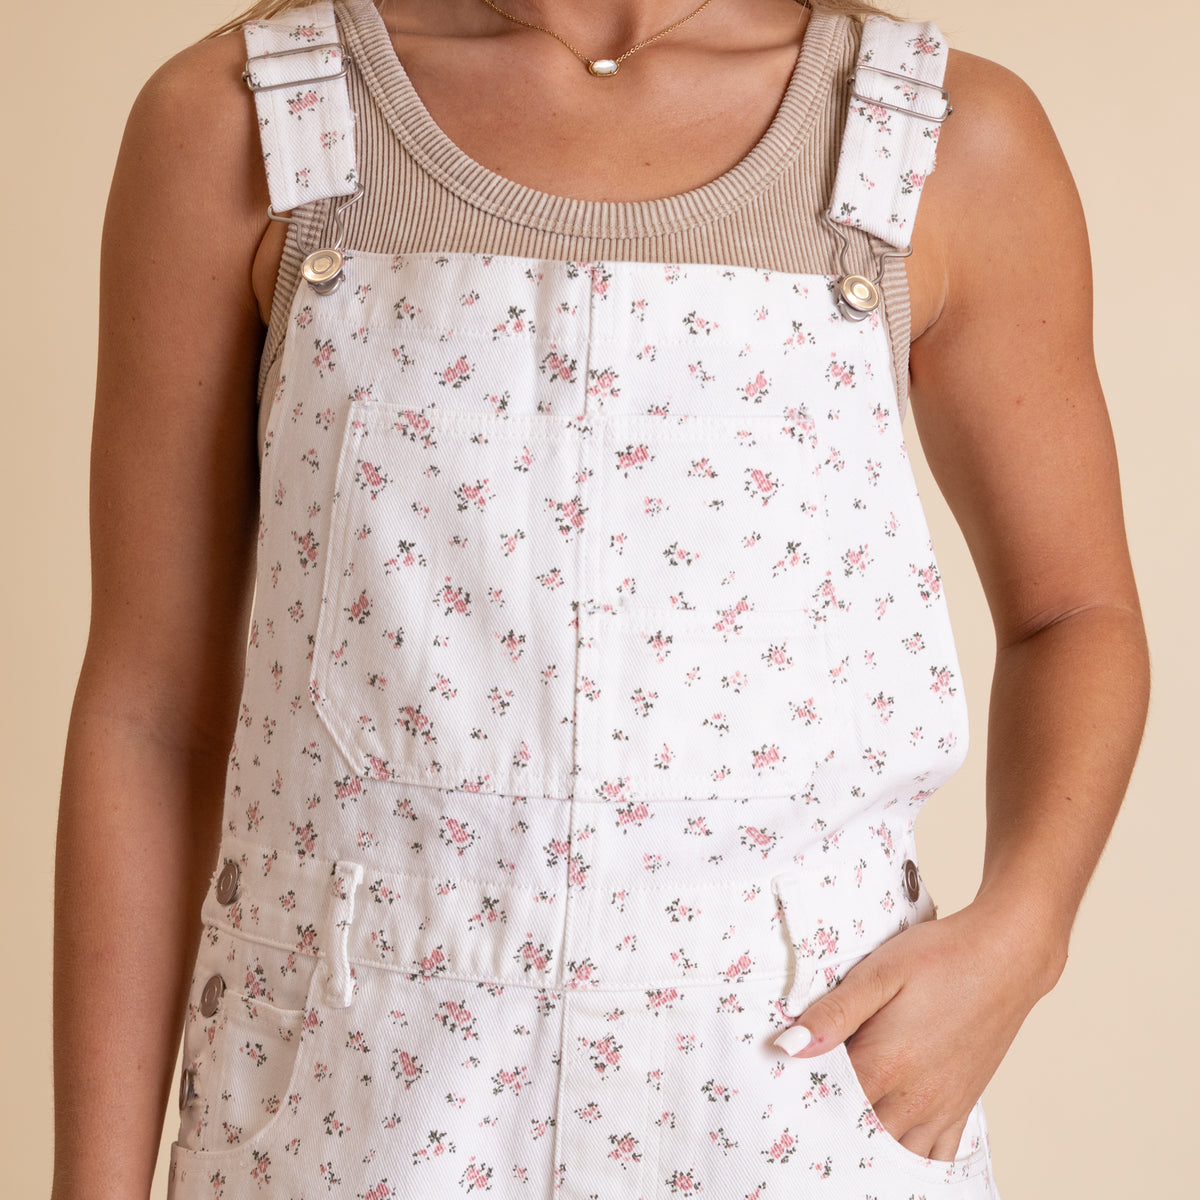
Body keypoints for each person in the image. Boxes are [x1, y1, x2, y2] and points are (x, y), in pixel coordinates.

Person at [51, 0, 1149, 1197]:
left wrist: (1026, 935)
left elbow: (1072, 613)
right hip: (355, 1108)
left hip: (796, 1105)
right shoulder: (245, 123)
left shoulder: (936, 138)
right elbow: (151, 716)